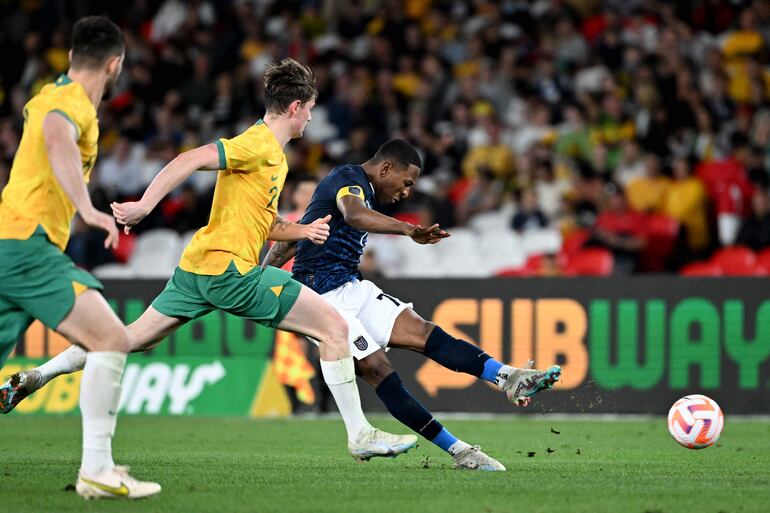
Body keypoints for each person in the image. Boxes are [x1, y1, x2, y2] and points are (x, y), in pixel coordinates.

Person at [1, 59, 417, 463]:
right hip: (231, 271)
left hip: (197, 269)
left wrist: (302, 231)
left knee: (128, 339)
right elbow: (190, 159)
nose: (310, 118)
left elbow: (262, 222)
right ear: (295, 108)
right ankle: (360, 434)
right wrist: (145, 205)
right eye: (308, 109)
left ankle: (37, 376)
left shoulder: (269, 154)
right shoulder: (260, 145)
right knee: (334, 327)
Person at [263, 139, 562, 471]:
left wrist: (263, 271)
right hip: (322, 297)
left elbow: (296, 239)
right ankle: (460, 451)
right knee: (378, 369)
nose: (406, 192)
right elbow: (354, 214)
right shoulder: (348, 179)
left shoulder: (357, 191)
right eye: (406, 182)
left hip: (351, 286)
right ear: (386, 168)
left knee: (423, 331)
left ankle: (508, 377)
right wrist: (407, 229)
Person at [0, 16, 160, 499]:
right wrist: (87, 209)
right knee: (111, 337)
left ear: (72, 57)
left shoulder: (49, 93)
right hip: (27, 246)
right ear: (115, 65)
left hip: (11, 244)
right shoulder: (72, 105)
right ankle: (97, 469)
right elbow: (57, 138)